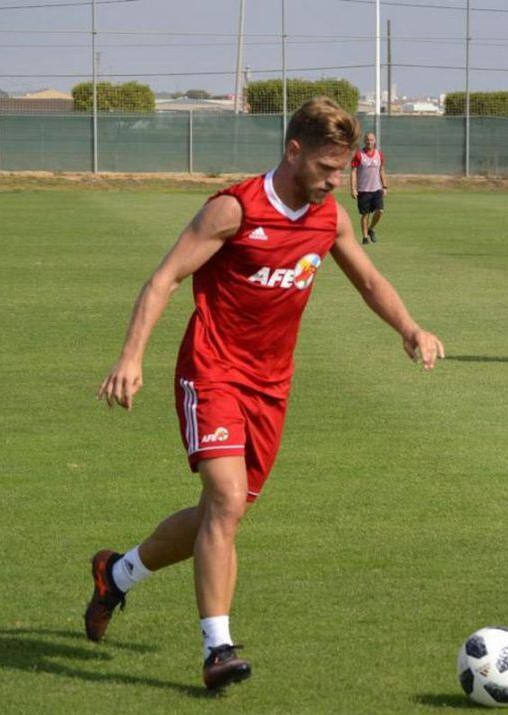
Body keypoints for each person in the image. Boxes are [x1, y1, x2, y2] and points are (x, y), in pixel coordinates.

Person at [86, 97, 444, 692]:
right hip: (212, 370)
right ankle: (217, 649)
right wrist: (130, 357)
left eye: (345, 170)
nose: (338, 181)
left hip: (272, 384)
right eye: (329, 169)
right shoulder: (234, 210)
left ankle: (116, 576)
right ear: (293, 150)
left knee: (217, 514)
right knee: (224, 501)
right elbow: (164, 278)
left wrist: (410, 328)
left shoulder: (329, 218)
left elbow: (369, 279)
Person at [349, 132, 388, 245]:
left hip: (377, 189)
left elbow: (382, 170)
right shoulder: (358, 155)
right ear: (364, 141)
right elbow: (353, 171)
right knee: (365, 214)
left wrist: (385, 186)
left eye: (371, 140)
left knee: (379, 211)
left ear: (375, 141)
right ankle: (365, 237)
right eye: (367, 140)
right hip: (363, 190)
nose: (369, 142)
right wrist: (353, 188)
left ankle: (371, 228)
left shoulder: (379, 154)